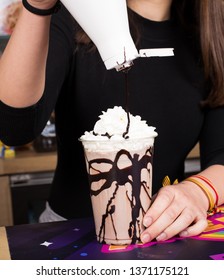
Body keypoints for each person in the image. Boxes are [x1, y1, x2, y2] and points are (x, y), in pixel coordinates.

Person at [0, 0, 224, 244]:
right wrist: (37, 6)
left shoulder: (211, 32)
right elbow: (13, 128)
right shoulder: (70, 16)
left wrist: (198, 192)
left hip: (167, 237)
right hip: (68, 240)